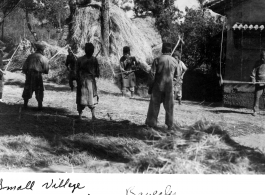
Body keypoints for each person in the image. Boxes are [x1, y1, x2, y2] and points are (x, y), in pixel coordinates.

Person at [145, 43, 181, 130]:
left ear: (162, 50)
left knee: (154, 105)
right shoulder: (175, 61)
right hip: (169, 87)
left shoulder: (157, 60)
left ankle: (151, 124)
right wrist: (173, 85)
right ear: (170, 51)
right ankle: (169, 125)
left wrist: (150, 86)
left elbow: (152, 75)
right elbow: (178, 76)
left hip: (158, 86)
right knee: (169, 107)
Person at [22, 41, 49, 110]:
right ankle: (40, 106)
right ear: (42, 50)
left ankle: (25, 105)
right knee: (39, 90)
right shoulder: (44, 58)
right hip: (37, 76)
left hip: (29, 76)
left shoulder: (30, 56)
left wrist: (27, 74)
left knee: (27, 89)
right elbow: (46, 71)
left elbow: (24, 68)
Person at [76, 42, 100, 120]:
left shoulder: (79, 60)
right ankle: (93, 116)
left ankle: (80, 115)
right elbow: (97, 73)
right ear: (92, 51)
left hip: (82, 81)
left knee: (81, 99)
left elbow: (76, 71)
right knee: (92, 99)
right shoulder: (94, 60)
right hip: (90, 82)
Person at [250, 50, 265, 116]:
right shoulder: (258, 63)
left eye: (264, 57)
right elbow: (253, 72)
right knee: (257, 96)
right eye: (261, 57)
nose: (262, 58)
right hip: (259, 82)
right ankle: (256, 110)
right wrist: (253, 79)